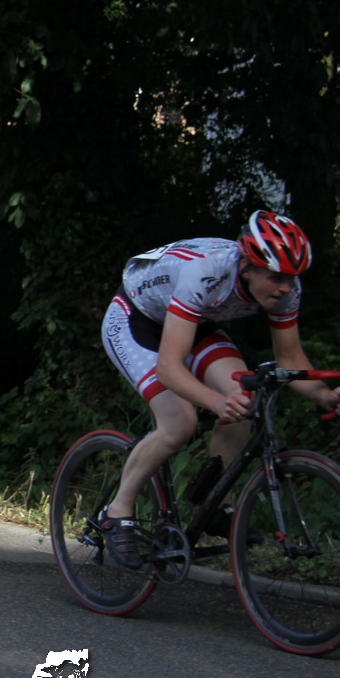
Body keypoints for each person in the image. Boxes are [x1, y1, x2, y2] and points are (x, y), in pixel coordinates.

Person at [98, 210, 340, 568]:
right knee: (179, 423)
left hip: (197, 323)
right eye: (276, 277)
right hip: (136, 320)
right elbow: (169, 368)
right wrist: (214, 400)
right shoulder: (206, 272)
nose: (286, 288)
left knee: (243, 399)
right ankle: (117, 511)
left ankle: (213, 505)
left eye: (292, 278)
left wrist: (324, 395)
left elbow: (289, 357)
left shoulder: (287, 292)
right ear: (248, 268)